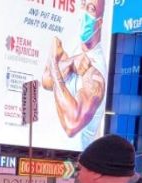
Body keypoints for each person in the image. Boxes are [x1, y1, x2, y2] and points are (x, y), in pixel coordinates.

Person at [41, 0, 108, 146]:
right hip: (50, 153)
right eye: (83, 5)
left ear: (99, 22)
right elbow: (46, 81)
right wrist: (70, 63)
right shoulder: (75, 49)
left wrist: (53, 61)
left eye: (90, 9)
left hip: (75, 161)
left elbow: (71, 125)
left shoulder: (96, 72)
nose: (84, 13)